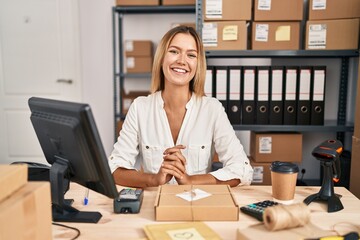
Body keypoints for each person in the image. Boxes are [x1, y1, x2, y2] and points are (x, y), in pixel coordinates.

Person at [109, 25, 253, 188]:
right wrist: (154, 179)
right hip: (154, 206)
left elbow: (243, 170)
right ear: (162, 57)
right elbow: (114, 169)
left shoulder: (212, 109)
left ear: (198, 64)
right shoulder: (140, 107)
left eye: (191, 55)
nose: (182, 61)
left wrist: (190, 180)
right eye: (174, 51)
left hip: (196, 206)